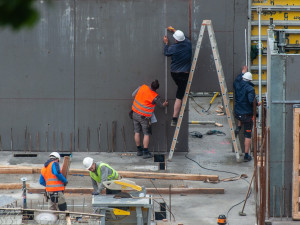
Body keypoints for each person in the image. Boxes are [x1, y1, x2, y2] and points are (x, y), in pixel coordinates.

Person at [131, 80, 168, 158]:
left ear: (150, 84)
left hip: (134, 113)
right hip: (144, 117)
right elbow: (161, 106)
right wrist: (164, 104)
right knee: (146, 134)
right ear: (156, 88)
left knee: (137, 132)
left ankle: (139, 151)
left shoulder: (142, 87)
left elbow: (133, 95)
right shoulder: (155, 96)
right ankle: (145, 152)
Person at [163, 26, 192, 126]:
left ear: (175, 39)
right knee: (179, 96)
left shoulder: (173, 48)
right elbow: (183, 37)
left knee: (180, 92)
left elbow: (166, 53)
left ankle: (175, 118)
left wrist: (166, 43)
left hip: (174, 73)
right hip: (184, 75)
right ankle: (174, 118)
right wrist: (174, 30)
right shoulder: (188, 44)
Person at [233, 65, 260, 162]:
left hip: (237, 113)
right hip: (246, 115)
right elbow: (250, 101)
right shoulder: (250, 89)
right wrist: (257, 104)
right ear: (250, 80)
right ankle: (246, 155)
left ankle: (239, 127)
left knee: (242, 115)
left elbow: (237, 79)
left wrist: (242, 72)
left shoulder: (237, 83)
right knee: (248, 135)